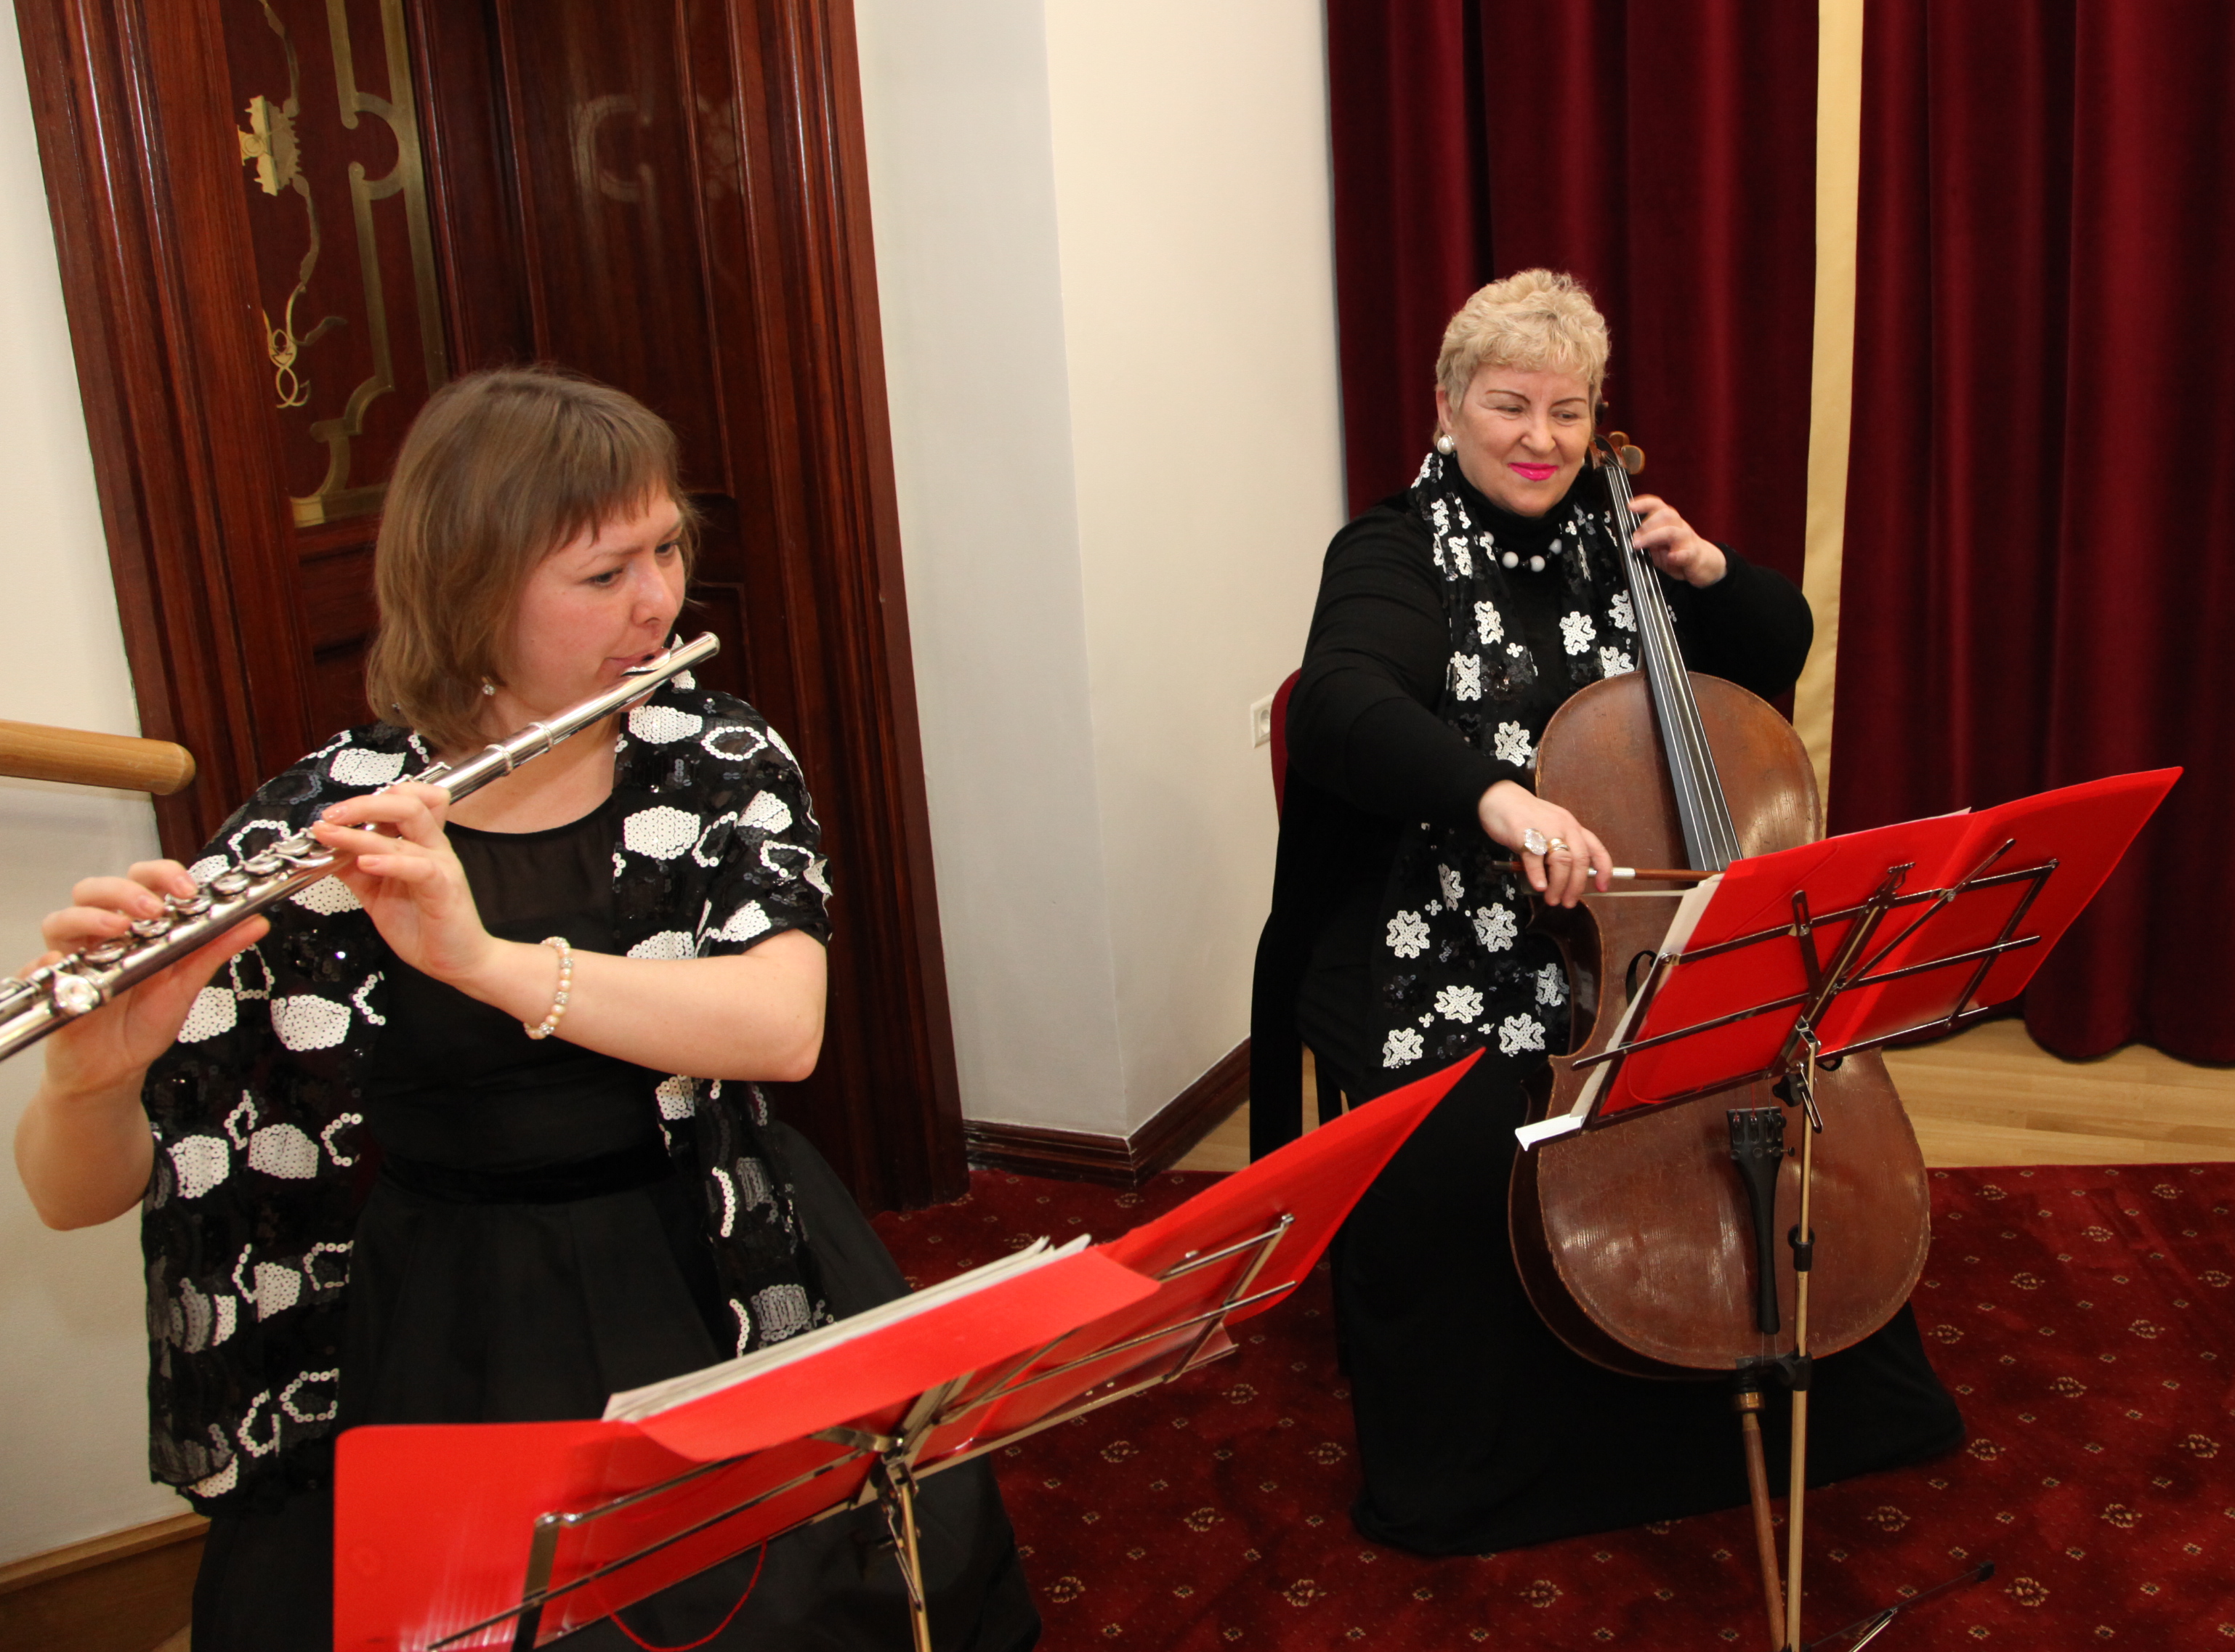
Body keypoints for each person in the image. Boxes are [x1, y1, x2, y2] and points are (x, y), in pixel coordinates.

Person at [12, 369, 1040, 1651]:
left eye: (667, 549)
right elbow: (76, 1195)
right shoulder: (329, 821)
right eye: (605, 574)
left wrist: (482, 958)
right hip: (453, 1312)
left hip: (708, 1248)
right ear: (472, 590)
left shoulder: (714, 757)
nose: (660, 601)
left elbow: (781, 1027)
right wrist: (90, 1079)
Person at [1246, 270, 1961, 1555]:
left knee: (1762, 1115)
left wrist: (1713, 570)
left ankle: (1791, 1396)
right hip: (1445, 924)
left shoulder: (1619, 539)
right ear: (1448, 407)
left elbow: (1774, 647)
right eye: (1509, 405)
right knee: (1468, 1170)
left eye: (1568, 411)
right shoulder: (1393, 551)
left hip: (1626, 939)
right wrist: (1498, 799)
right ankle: (1505, 1472)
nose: (1541, 438)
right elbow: (1346, 703)